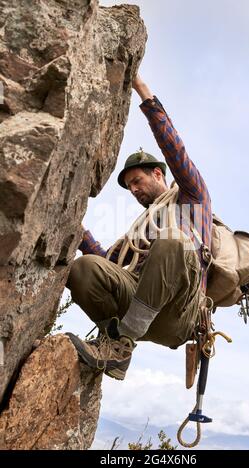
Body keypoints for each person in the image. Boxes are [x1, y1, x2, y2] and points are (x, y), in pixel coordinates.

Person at [66, 75, 212, 381]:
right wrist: (79, 233)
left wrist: (143, 92)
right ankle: (115, 346)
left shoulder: (192, 198)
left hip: (178, 314)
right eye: (129, 186)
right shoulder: (142, 228)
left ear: (158, 174)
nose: (133, 189)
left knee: (172, 241)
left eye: (137, 181)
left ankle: (120, 345)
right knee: (84, 268)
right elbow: (110, 267)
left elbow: (175, 151)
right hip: (139, 306)